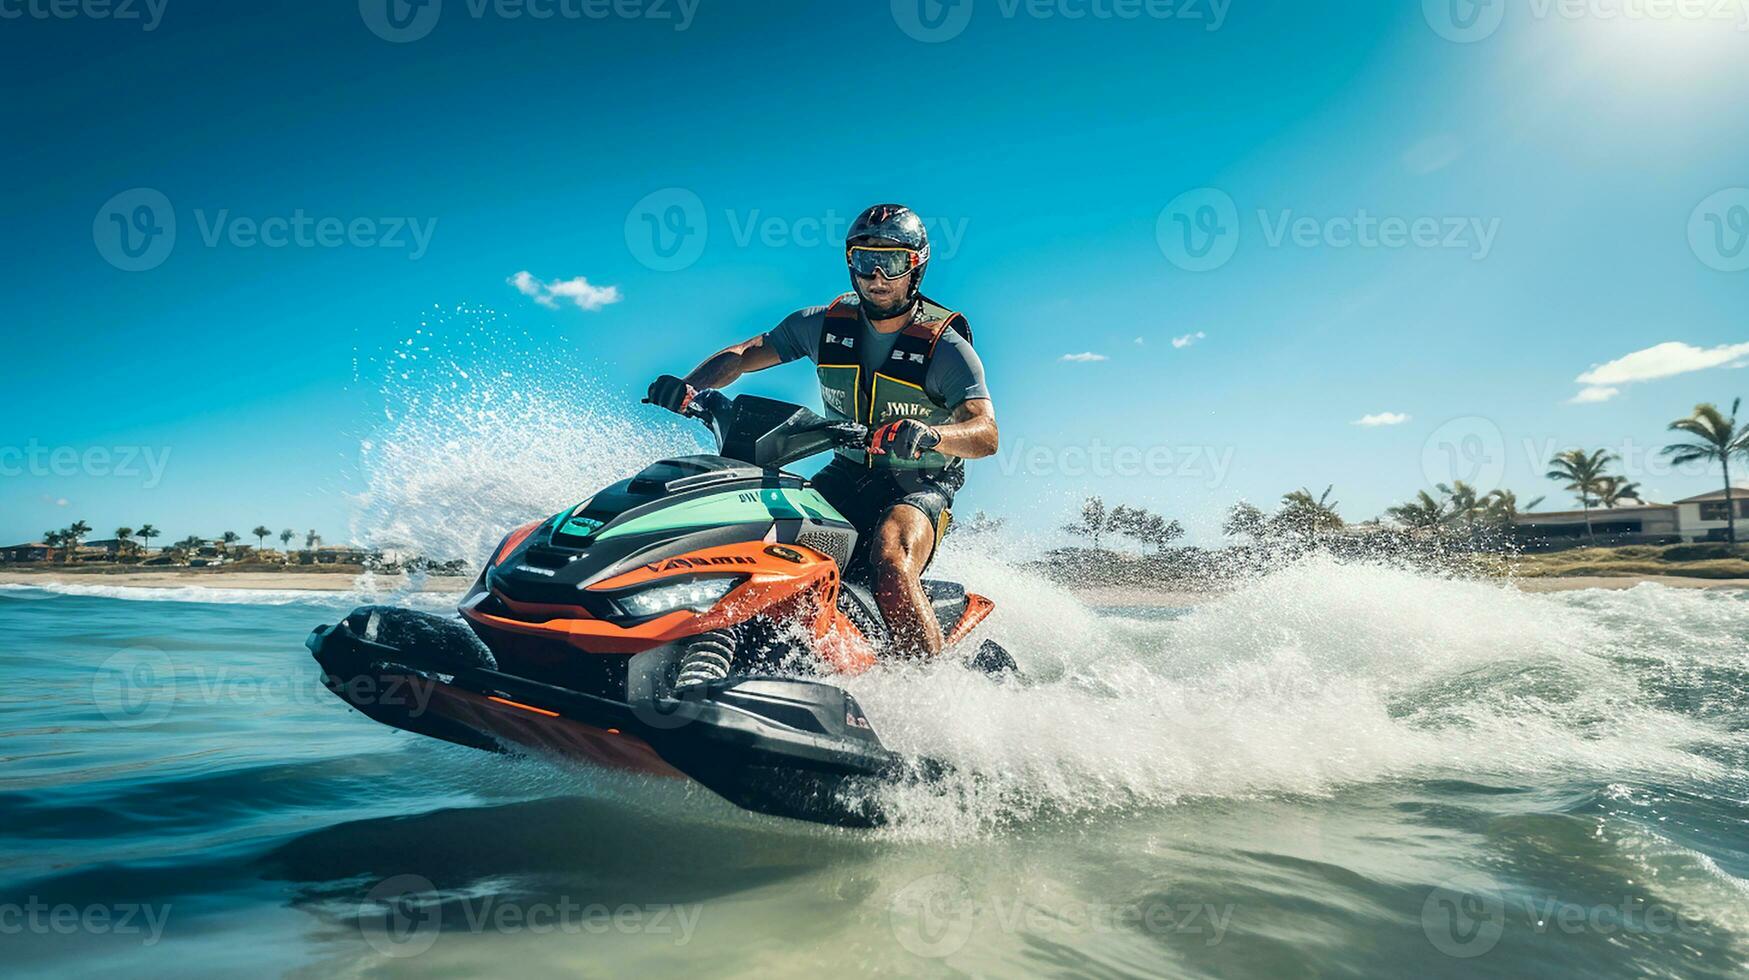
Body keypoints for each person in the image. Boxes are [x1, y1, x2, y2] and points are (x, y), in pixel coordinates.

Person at [646, 203, 997, 658]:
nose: (875, 276)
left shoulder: (945, 347)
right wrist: (690, 387)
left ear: (916, 266)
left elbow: (986, 433)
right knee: (759, 531)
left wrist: (933, 436)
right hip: (847, 471)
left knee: (891, 561)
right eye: (862, 260)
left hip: (919, 483)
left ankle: (931, 684)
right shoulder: (821, 325)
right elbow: (742, 355)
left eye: (890, 262)